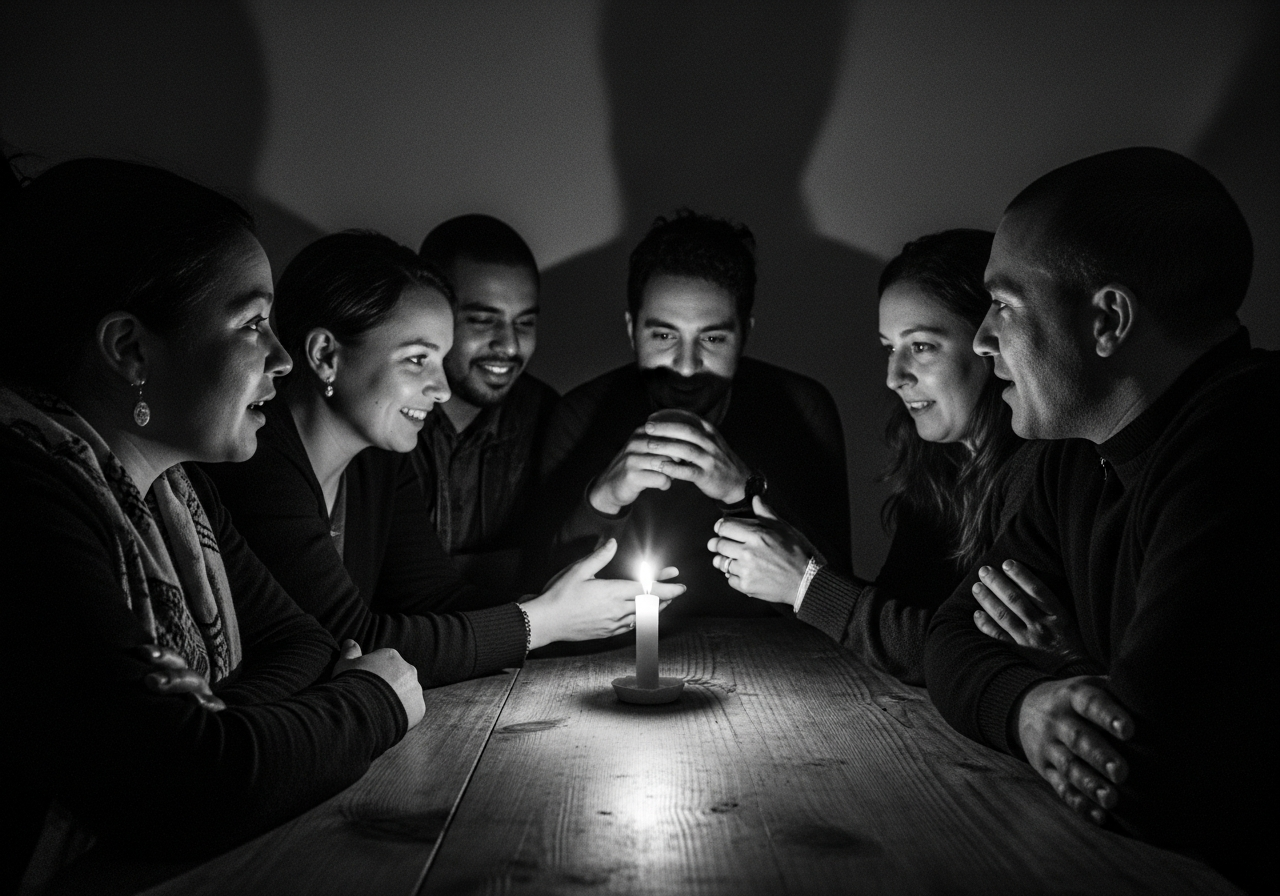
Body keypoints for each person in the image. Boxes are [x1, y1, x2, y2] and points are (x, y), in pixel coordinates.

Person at [0, 159, 423, 893]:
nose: (283, 358)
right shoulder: (23, 496)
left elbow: (304, 643)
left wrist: (210, 727)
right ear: (131, 349)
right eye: (253, 324)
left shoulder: (179, 491)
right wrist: (372, 701)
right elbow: (182, 780)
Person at [922, 147, 1277, 894]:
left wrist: (1071, 669)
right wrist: (1027, 706)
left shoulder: (1249, 442)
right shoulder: (1076, 452)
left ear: (1108, 318)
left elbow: (1147, 773)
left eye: (1005, 305)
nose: (982, 340)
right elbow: (950, 640)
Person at [204, 231, 683, 689]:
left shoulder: (379, 461)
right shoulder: (257, 458)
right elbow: (346, 640)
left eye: (441, 359)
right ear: (326, 354)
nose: (442, 388)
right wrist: (542, 621)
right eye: (417, 360)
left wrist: (578, 604)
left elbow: (438, 603)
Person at [706, 229, 1036, 682]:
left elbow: (970, 652)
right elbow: (891, 625)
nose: (894, 376)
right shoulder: (937, 474)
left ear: (989, 342)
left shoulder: (1041, 475)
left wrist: (807, 584)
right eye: (889, 348)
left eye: (920, 347)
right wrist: (793, 566)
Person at [535, 209, 851, 617]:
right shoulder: (579, 414)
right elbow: (536, 594)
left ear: (745, 334)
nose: (686, 365)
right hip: (614, 660)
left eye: (713, 338)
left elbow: (839, 591)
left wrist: (743, 493)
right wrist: (603, 499)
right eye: (664, 335)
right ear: (632, 329)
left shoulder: (804, 408)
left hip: (779, 661)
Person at [414, 215, 558, 592]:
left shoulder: (549, 419)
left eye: (524, 323)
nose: (509, 346)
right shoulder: (384, 418)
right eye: (482, 320)